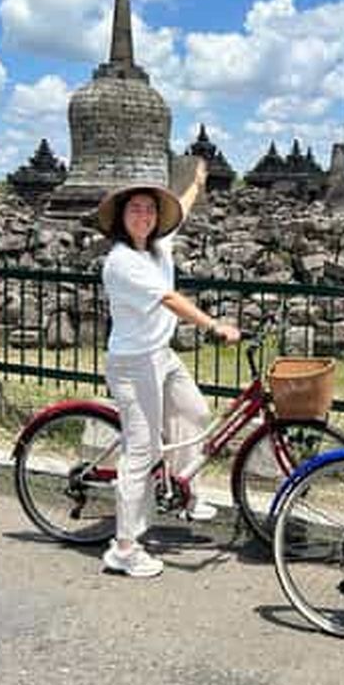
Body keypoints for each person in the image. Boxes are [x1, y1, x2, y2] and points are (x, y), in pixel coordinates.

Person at [97, 158, 240, 579]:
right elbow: (170, 300)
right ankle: (124, 546)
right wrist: (214, 325)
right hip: (132, 362)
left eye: (150, 209)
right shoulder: (122, 261)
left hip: (162, 353)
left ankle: (184, 490)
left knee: (195, 414)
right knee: (141, 450)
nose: (144, 215)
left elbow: (184, 205)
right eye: (135, 209)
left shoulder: (157, 246)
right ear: (122, 218)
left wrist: (195, 183)